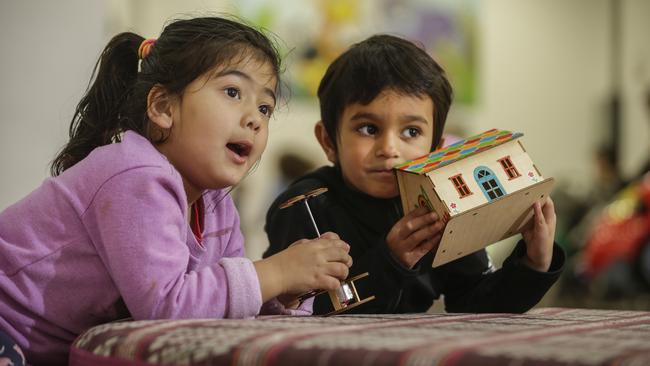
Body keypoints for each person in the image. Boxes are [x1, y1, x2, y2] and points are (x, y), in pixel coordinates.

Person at [0, 16, 352, 364]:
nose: (255, 119)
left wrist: (283, 294)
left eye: (265, 107)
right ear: (163, 107)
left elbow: (214, 310)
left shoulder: (216, 205)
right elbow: (166, 307)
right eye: (233, 92)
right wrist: (274, 272)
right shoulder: (134, 174)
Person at [264, 34, 565, 315]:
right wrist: (390, 261)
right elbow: (301, 310)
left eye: (411, 131)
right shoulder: (304, 206)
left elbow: (476, 303)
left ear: (436, 147)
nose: (389, 148)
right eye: (368, 128)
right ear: (329, 141)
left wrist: (533, 264)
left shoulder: (444, 205)